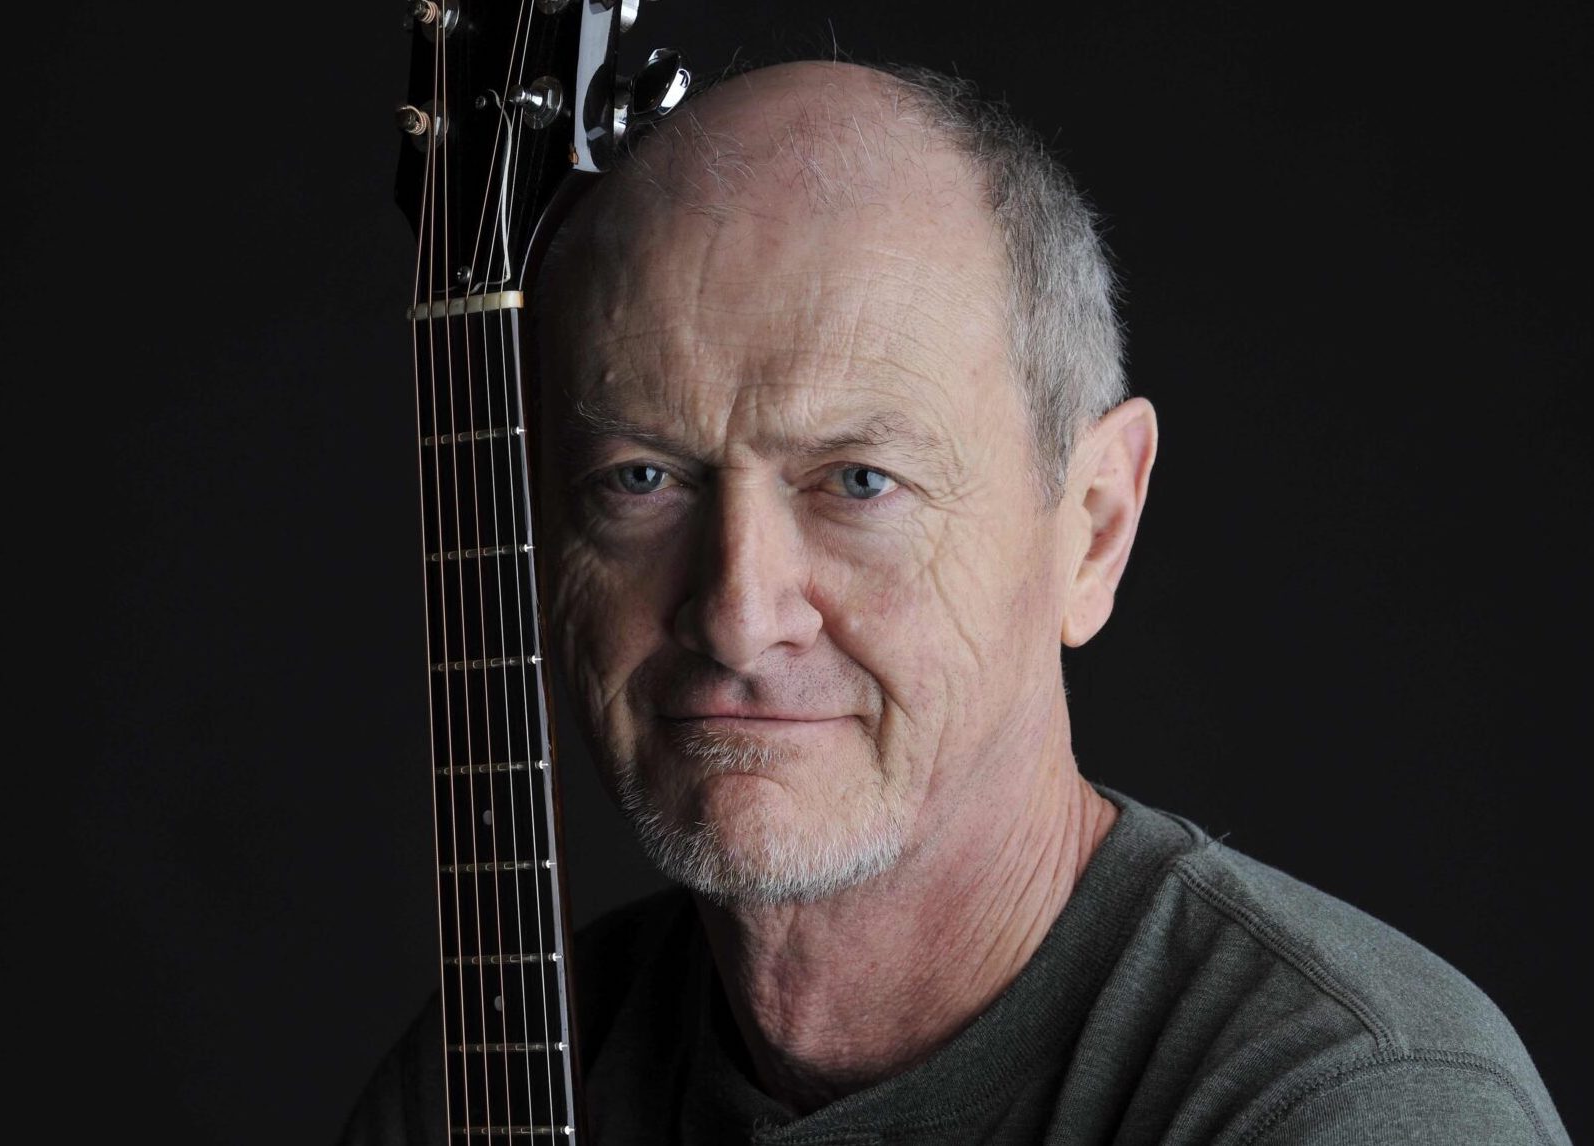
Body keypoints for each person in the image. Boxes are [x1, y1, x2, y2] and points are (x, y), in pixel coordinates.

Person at [341, 59, 1568, 1144]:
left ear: (1091, 529)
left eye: (858, 482)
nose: (736, 609)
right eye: (643, 478)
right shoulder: (478, 1081)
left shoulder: (1351, 1105)